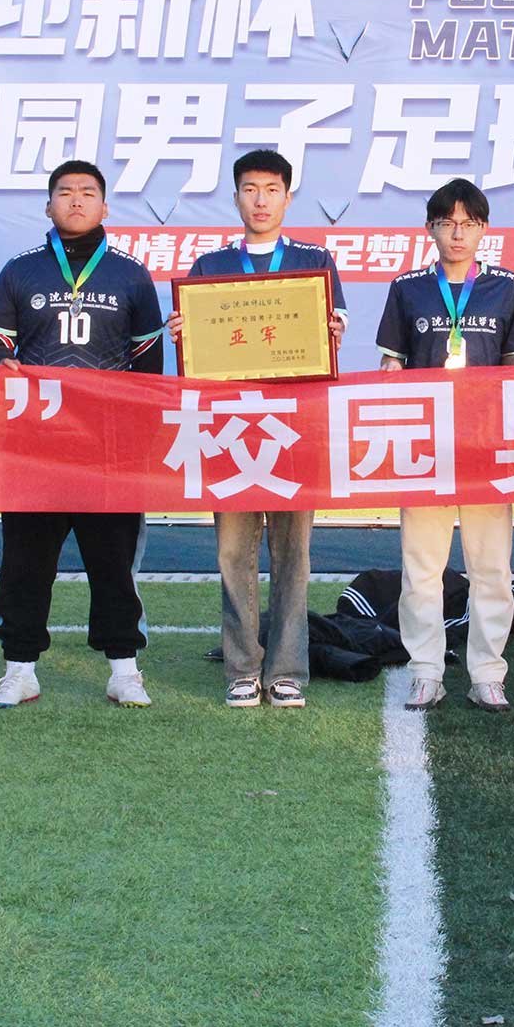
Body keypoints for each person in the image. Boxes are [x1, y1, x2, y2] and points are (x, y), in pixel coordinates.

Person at [0, 159, 166, 709]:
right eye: (65, 192)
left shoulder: (131, 274)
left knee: (113, 562)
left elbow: (148, 365)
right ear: (48, 205)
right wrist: (0, 362)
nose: (76, 200)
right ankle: (19, 670)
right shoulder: (21, 270)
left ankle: (124, 670)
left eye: (87, 192)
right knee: (25, 563)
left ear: (105, 206)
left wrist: (137, 438)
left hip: (107, 448)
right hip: (34, 447)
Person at [166, 149, 347, 710]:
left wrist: (331, 328)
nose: (260, 200)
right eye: (250, 189)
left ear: (288, 197)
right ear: (236, 197)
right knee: (233, 554)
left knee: (294, 556)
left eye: (271, 189)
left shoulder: (315, 262)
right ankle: (242, 668)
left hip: (295, 430)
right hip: (230, 430)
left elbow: (331, 337)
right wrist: (185, 333)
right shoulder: (210, 267)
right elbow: (195, 359)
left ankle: (288, 669)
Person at [376, 178, 514, 712]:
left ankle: (487, 672)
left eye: (468, 224)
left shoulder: (506, 287)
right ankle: (425, 671)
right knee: (421, 568)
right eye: (446, 223)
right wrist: (389, 374)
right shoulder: (408, 288)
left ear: (484, 229)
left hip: (487, 449)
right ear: (430, 228)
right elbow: (392, 363)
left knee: (492, 569)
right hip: (426, 448)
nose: (457, 233)